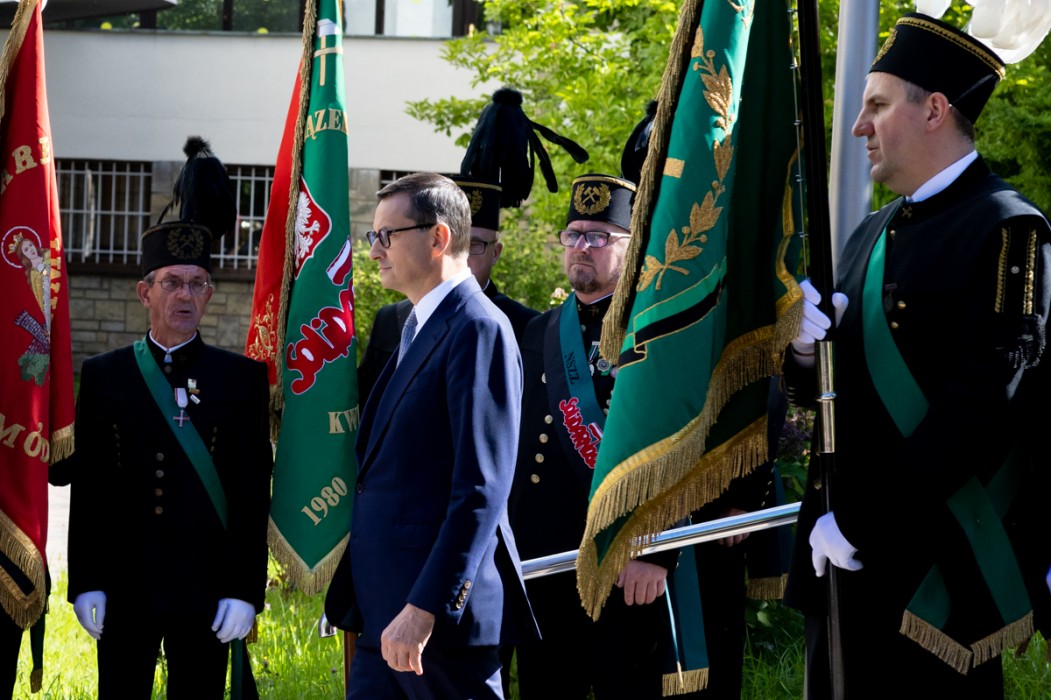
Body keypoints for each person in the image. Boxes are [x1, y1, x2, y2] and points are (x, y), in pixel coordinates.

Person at [783, 14, 1051, 699]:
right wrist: (805, 353)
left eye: (875, 106)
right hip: (838, 557)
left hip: (930, 572)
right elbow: (826, 398)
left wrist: (861, 522)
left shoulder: (1007, 228)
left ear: (934, 110)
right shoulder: (870, 233)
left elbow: (981, 411)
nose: (857, 128)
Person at [61, 137, 273, 698]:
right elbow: (91, 487)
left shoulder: (241, 379)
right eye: (172, 282)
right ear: (144, 292)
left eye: (198, 284)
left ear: (209, 294)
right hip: (124, 582)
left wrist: (245, 590)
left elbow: (251, 492)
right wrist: (87, 580)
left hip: (207, 588)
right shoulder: (105, 374)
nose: (186, 295)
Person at [329, 172, 537, 699]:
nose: (373, 250)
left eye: (386, 235)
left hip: (435, 631)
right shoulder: (419, 324)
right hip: (386, 616)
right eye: (373, 236)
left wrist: (425, 608)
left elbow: (481, 489)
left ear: (438, 237)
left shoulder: (477, 327)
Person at [508, 173, 677, 699]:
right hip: (542, 557)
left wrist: (655, 549)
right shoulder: (538, 331)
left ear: (632, 247)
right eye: (574, 234)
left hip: (621, 557)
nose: (582, 247)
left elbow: (677, 443)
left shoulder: (653, 331)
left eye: (599, 237)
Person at [356, 174, 537, 401]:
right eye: (376, 236)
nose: (459, 253)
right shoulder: (401, 318)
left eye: (473, 245)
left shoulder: (487, 326)